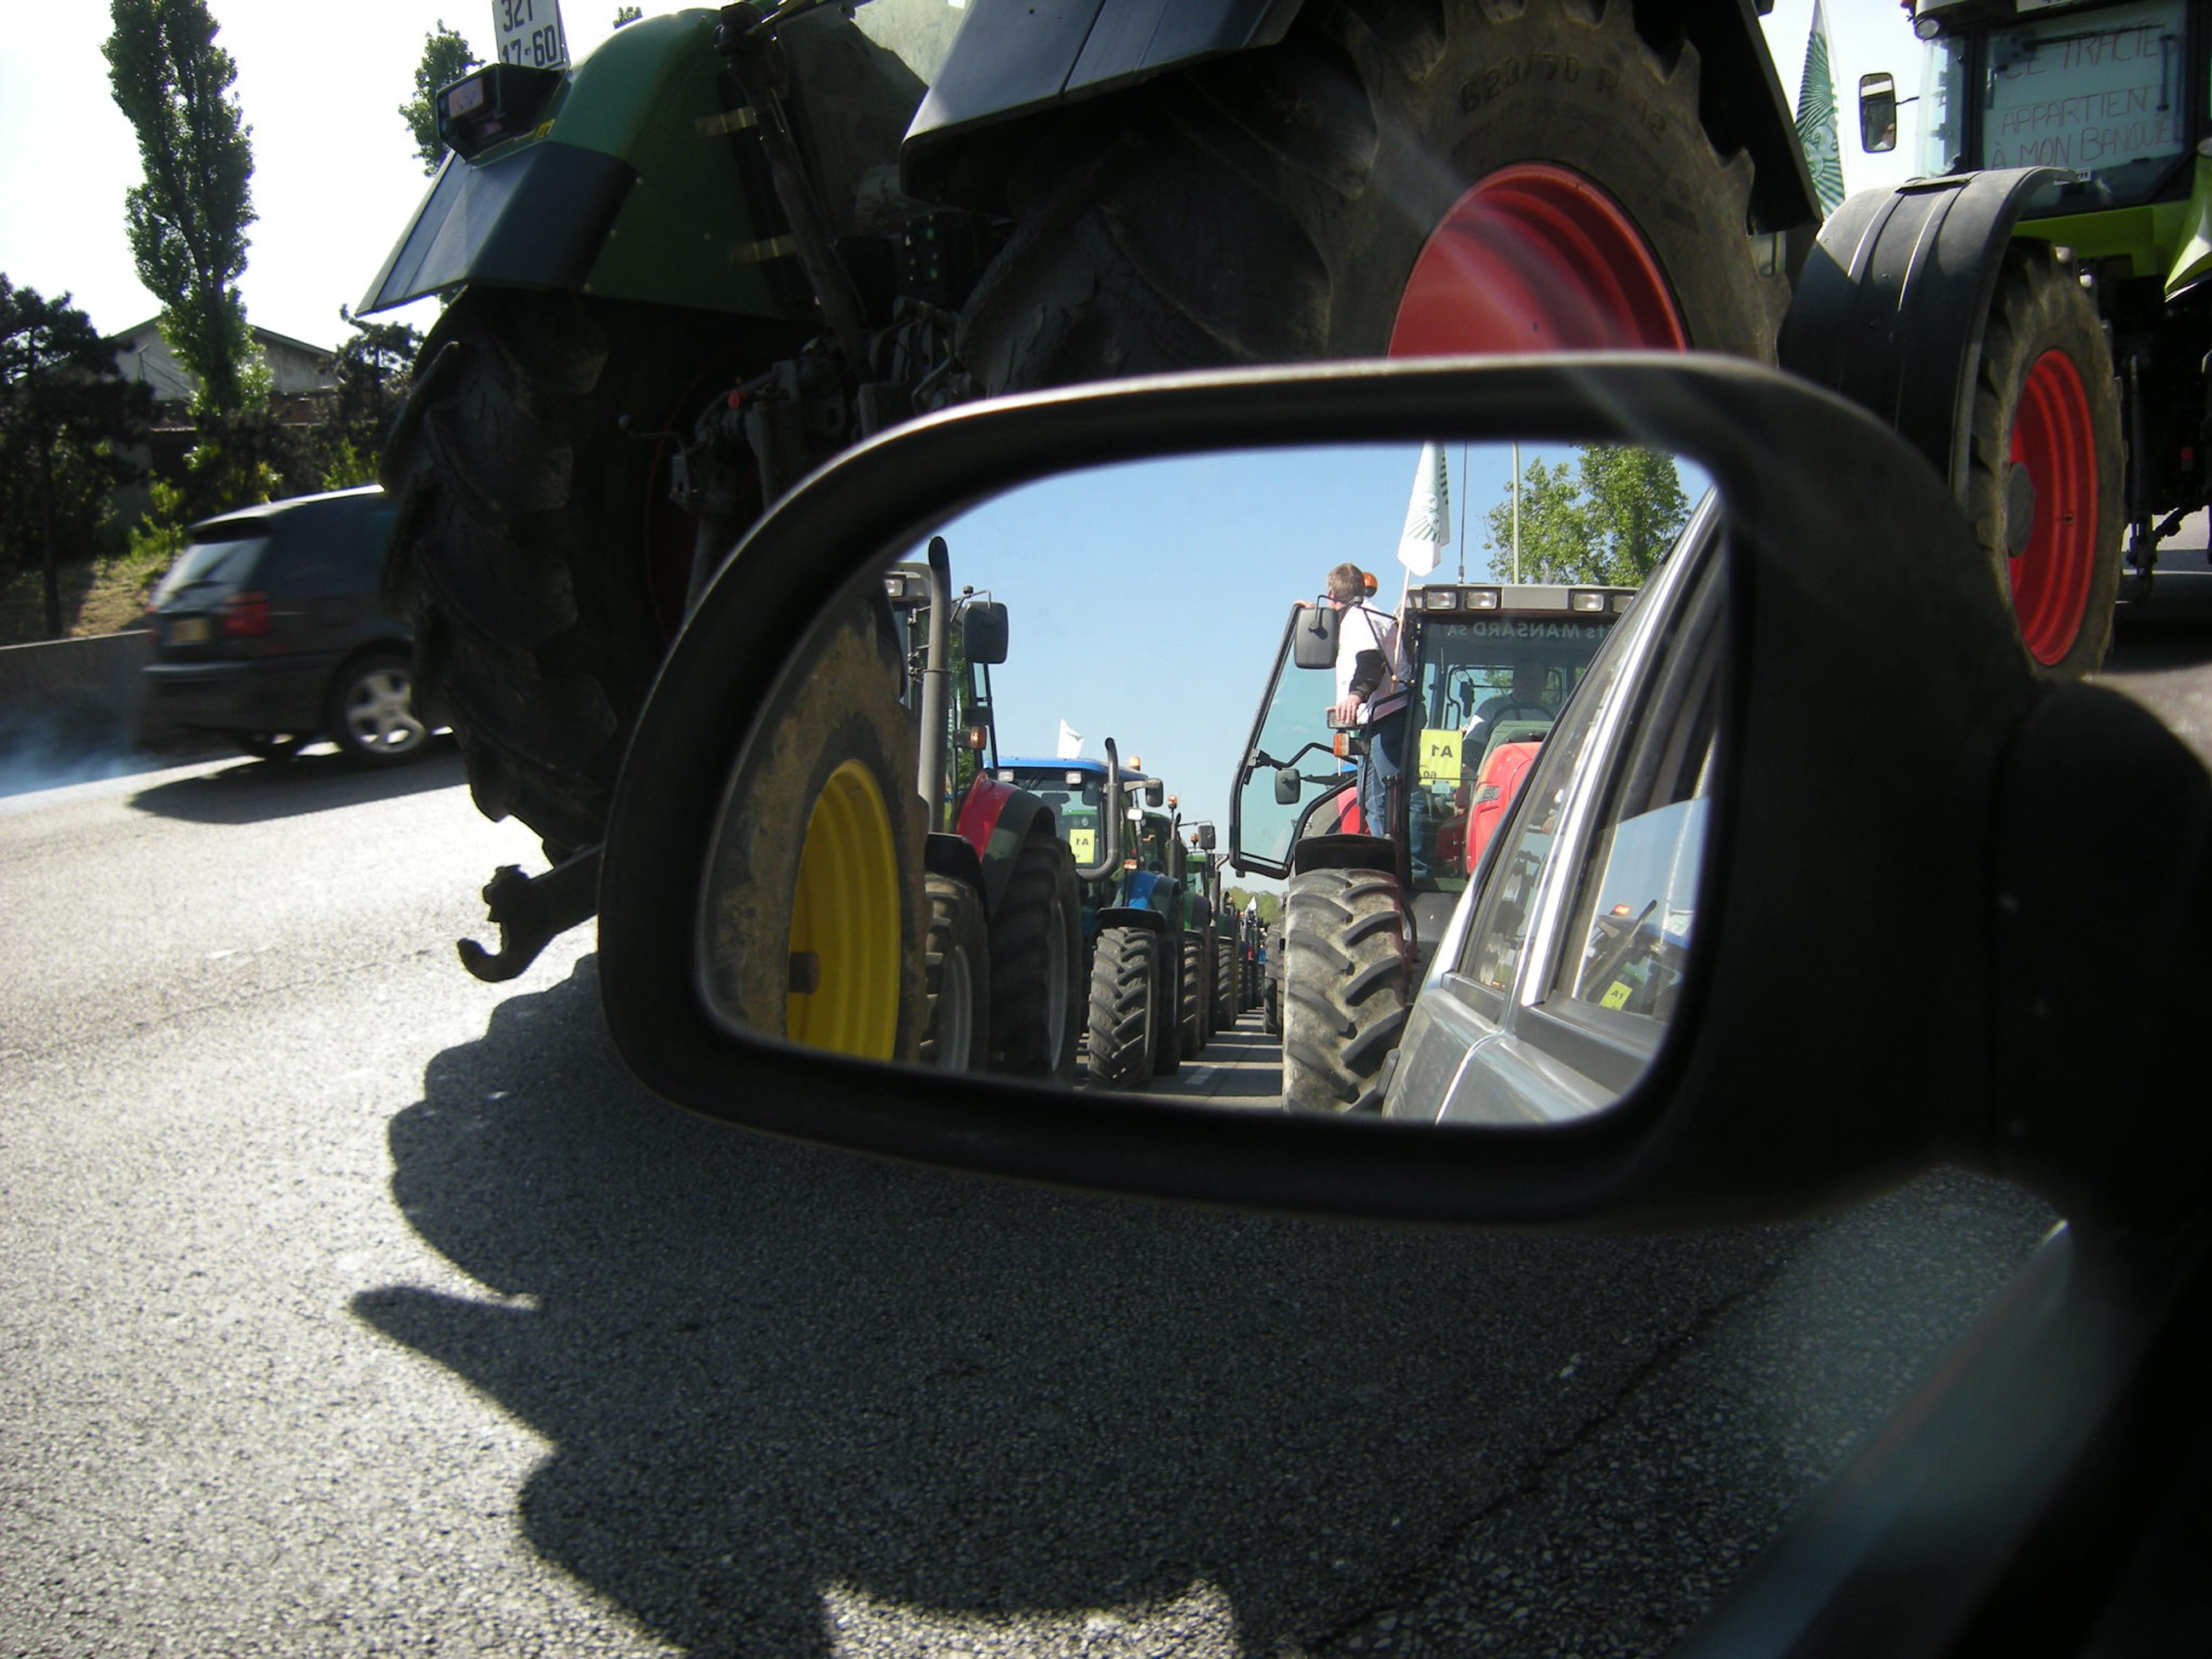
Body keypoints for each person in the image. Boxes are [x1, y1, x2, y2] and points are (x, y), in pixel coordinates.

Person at [1323, 561, 1409, 836]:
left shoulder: (1359, 620)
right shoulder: (1369, 616)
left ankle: (1392, 855)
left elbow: (1371, 661)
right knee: (1369, 798)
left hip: (1388, 718)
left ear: (1331, 594)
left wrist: (1354, 697)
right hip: (1378, 719)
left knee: (1384, 799)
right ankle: (1384, 850)